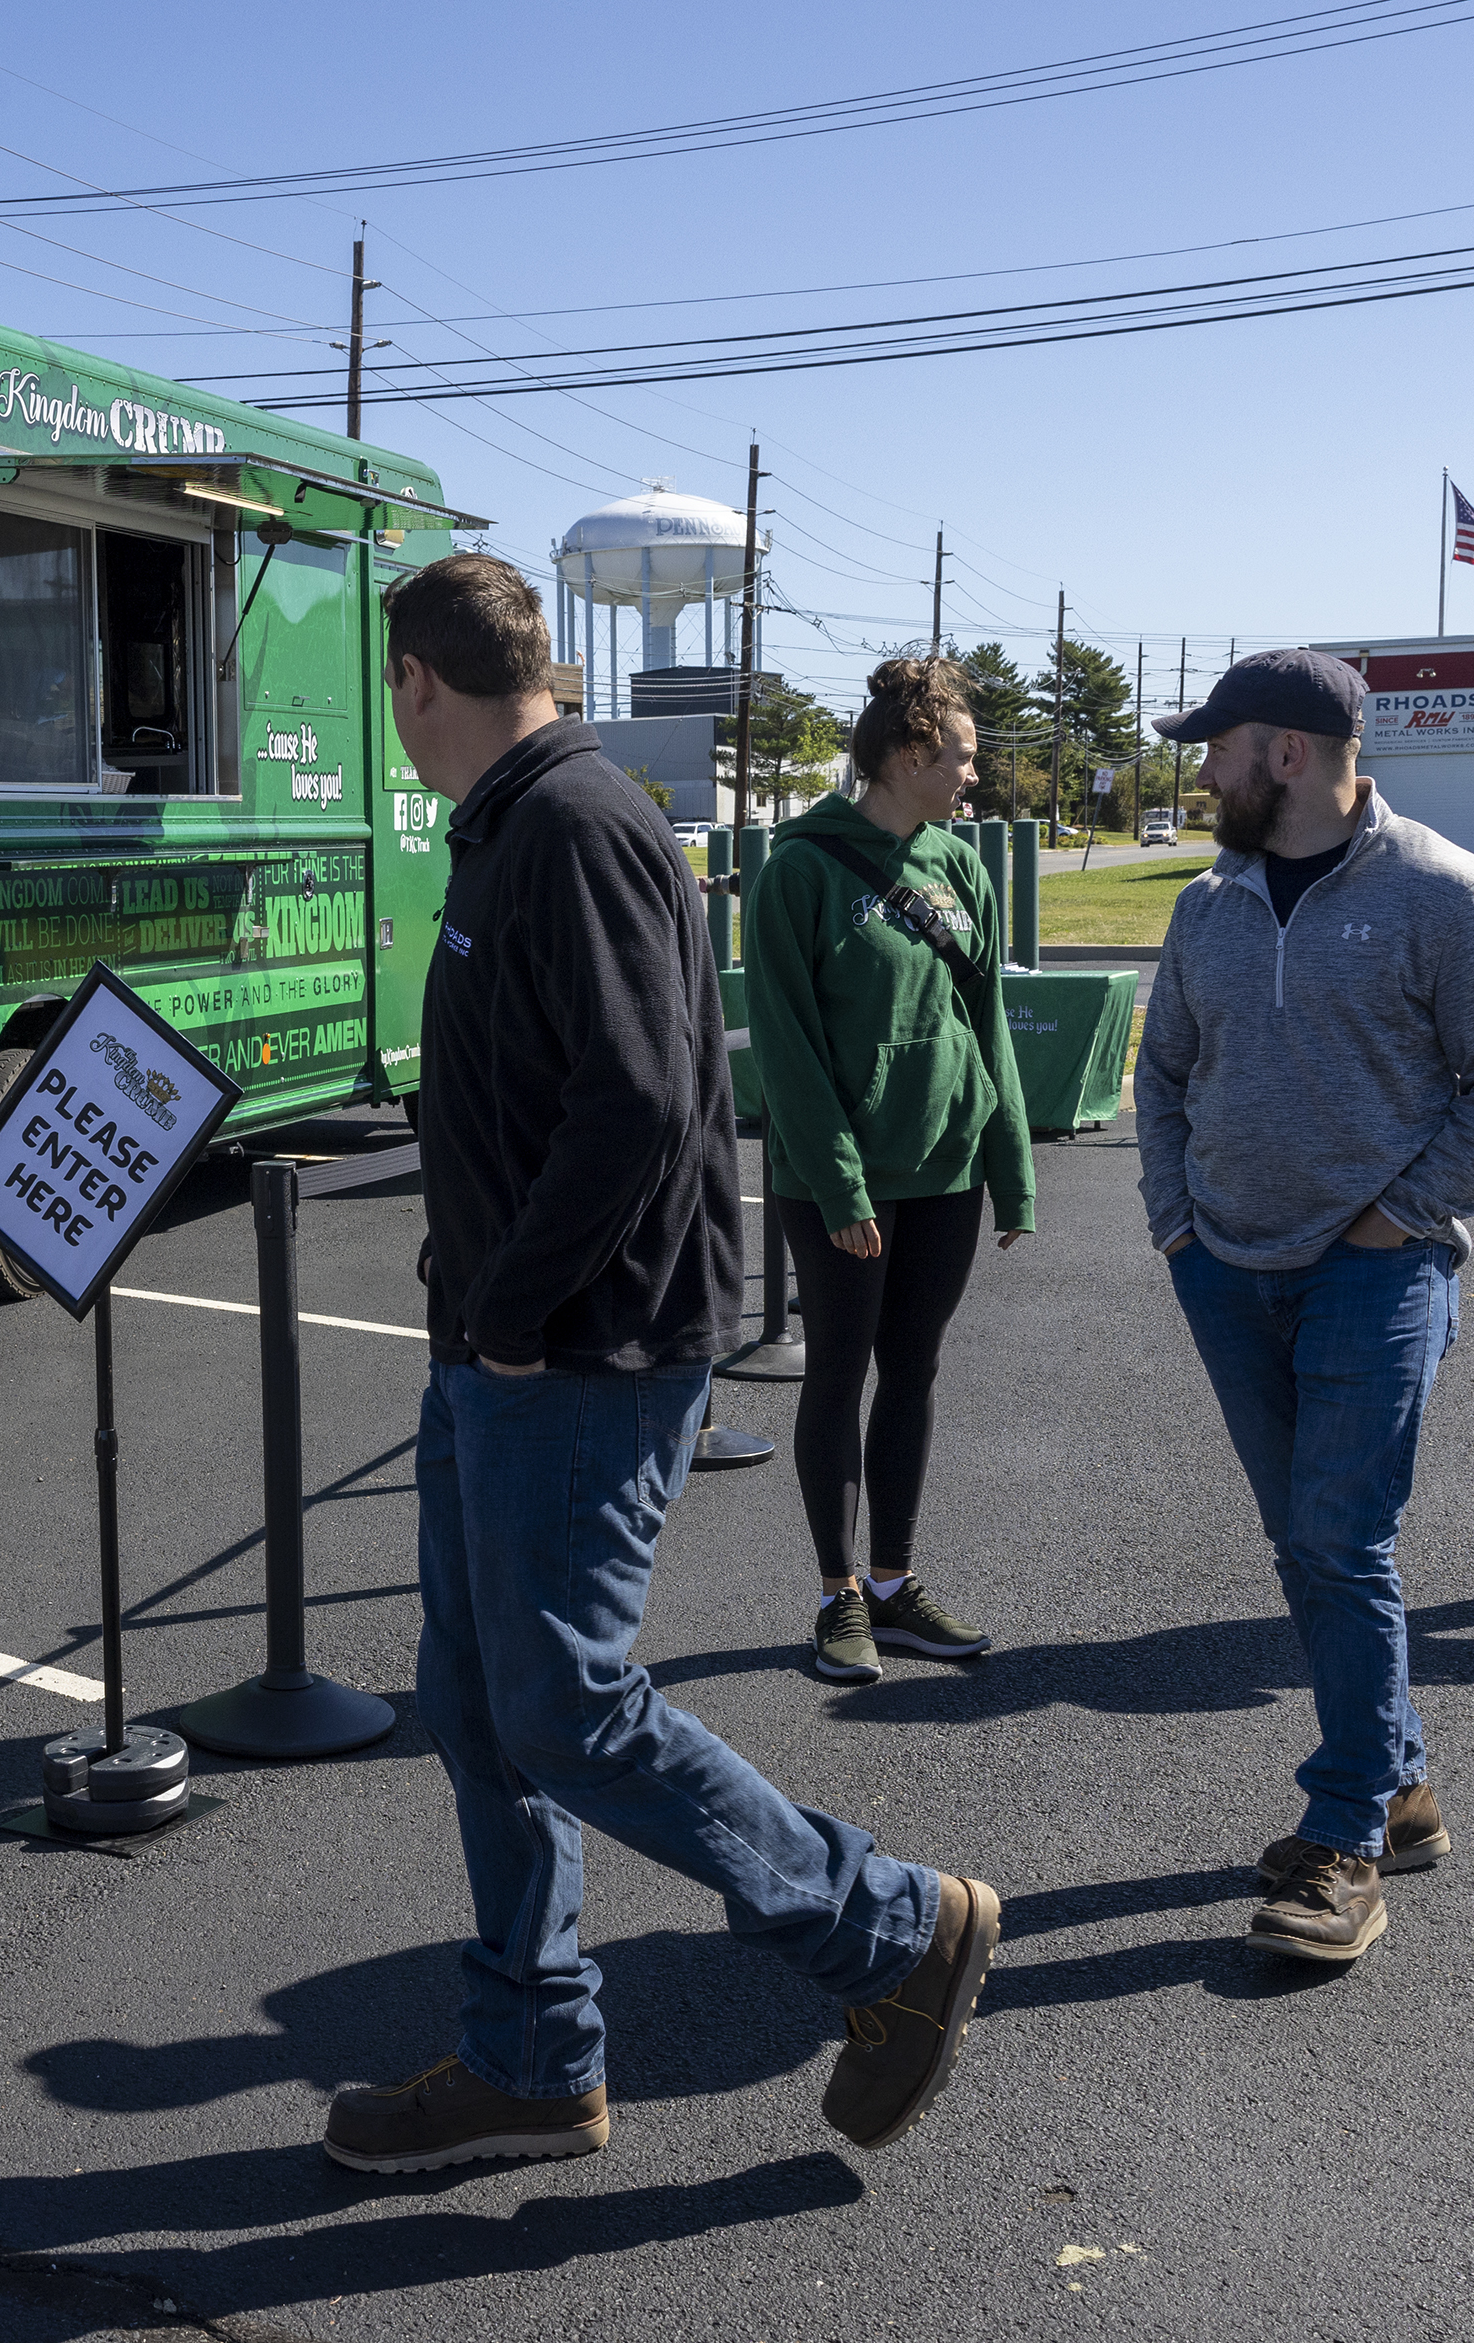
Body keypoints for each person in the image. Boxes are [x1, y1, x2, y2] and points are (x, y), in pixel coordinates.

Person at [324, 552, 1001, 2177]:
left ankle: (893, 1929)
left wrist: (509, 1311)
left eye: (391, 696)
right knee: (486, 1710)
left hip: (579, 1355)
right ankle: (533, 2057)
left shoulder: (575, 826)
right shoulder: (516, 825)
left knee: (562, 1708)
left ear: (415, 680)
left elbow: (632, 1105)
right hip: (505, 1349)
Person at [1138, 648, 1474, 1964]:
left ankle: (1343, 1842)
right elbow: (1162, 1072)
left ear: (1292, 755)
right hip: (1225, 1265)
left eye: (1219, 746)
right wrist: (1176, 1224)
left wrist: (1402, 1218)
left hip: (1376, 1270)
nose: (1202, 769)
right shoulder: (1210, 901)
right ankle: (1402, 1787)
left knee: (1339, 1541)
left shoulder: (1441, 890)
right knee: (1306, 1547)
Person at [745, 655, 1038, 1684]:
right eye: (960, 758)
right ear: (909, 756)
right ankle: (835, 1599)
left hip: (946, 1171)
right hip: (845, 1183)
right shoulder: (799, 872)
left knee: (912, 1372)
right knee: (838, 1373)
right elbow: (786, 1049)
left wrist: (1013, 1167)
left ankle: (893, 1585)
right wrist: (840, 1187)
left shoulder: (960, 869)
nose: (972, 778)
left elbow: (985, 1018)